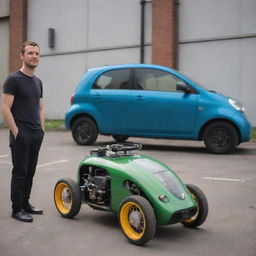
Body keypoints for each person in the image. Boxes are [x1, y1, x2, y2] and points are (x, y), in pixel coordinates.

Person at [1, 41, 45, 223]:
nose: (34, 56)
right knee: (20, 172)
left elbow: (41, 107)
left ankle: (26, 204)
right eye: (30, 53)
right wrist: (16, 131)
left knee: (31, 172)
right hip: (22, 134)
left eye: (36, 53)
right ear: (22, 56)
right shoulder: (13, 79)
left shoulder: (38, 81)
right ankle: (16, 209)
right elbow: (5, 107)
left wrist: (42, 128)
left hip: (36, 133)